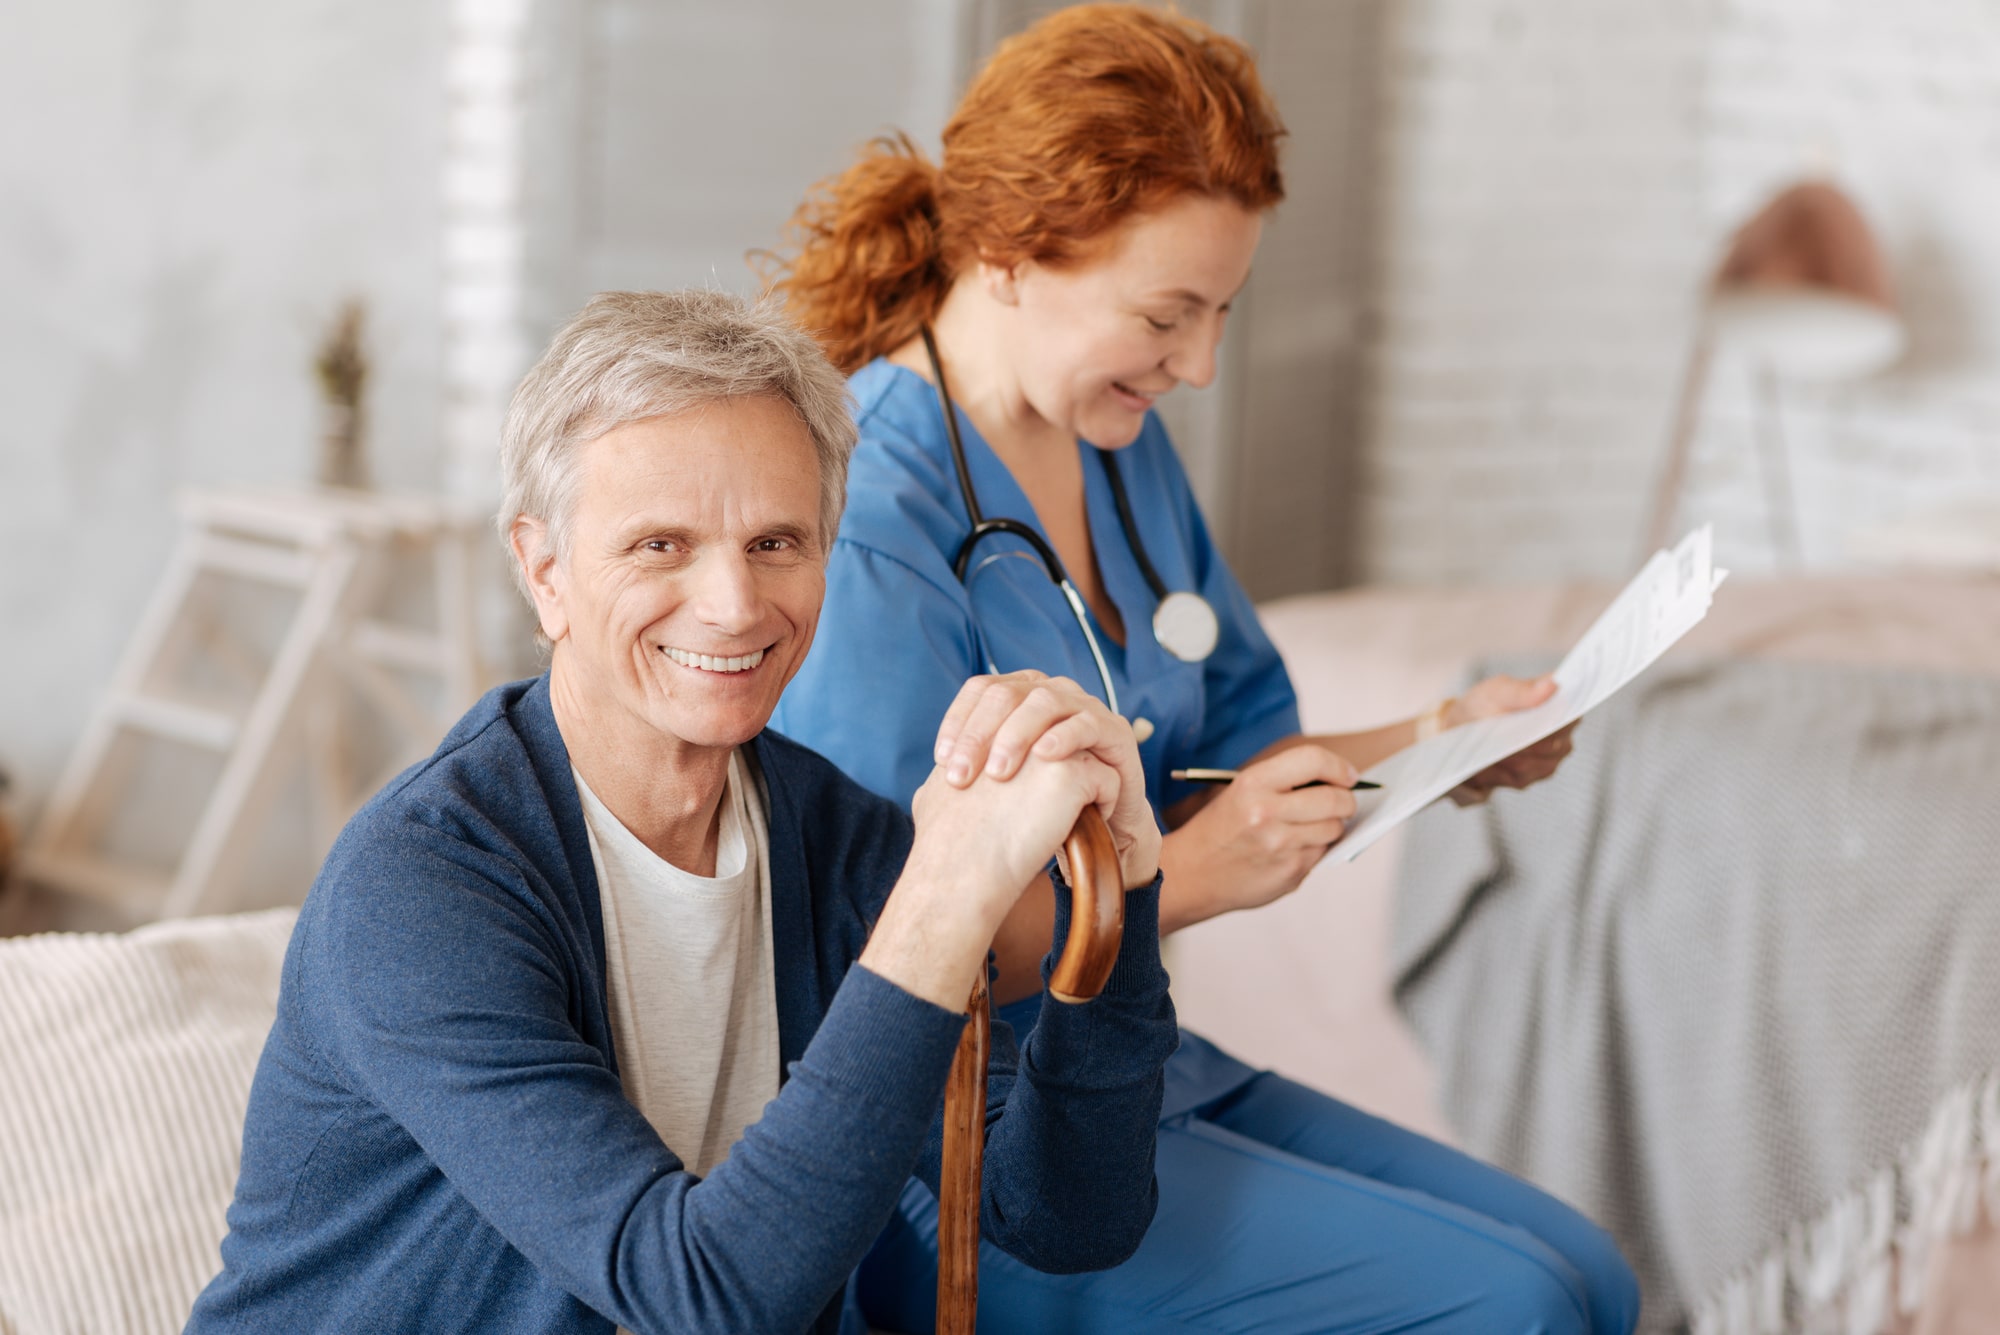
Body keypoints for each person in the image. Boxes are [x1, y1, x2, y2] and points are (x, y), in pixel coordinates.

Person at [767, 7, 1641, 1333]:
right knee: (1516, 1302)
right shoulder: (871, 521)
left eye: (1224, 310)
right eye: (1168, 314)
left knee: (1589, 1272)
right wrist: (1195, 871)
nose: (1204, 366)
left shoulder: (1118, 446)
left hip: (1121, 1064)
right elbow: (883, 954)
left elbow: (1229, 753)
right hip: (946, 1142)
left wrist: (1442, 738)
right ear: (1007, 253)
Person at [188, 290, 1180, 1334]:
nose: (734, 606)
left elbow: (1065, 1221)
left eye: (775, 543)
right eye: (660, 545)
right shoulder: (422, 887)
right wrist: (943, 897)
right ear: (545, 572)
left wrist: (1122, 891)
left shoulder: (831, 840)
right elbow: (700, 1295)